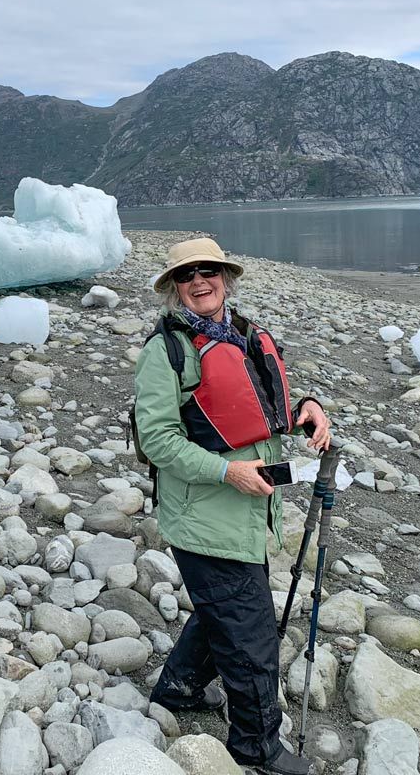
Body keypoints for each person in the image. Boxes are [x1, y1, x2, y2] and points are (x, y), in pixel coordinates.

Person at [133, 237, 331, 775]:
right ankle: (256, 748)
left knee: (224, 607)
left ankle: (178, 686)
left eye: (208, 271)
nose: (199, 281)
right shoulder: (165, 353)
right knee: (252, 637)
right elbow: (156, 439)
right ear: (175, 287)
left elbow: (255, 408)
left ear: (226, 277)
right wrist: (229, 471)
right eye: (186, 274)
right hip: (204, 517)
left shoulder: (243, 335)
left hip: (247, 514)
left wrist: (306, 409)